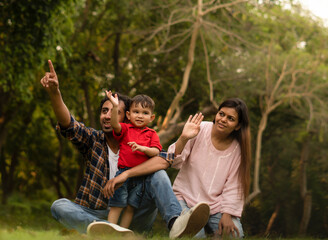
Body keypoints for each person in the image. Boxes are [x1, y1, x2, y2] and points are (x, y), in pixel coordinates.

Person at [40, 60, 210, 238]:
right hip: (96, 213)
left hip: (134, 212)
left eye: (114, 111)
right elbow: (69, 124)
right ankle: (108, 230)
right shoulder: (93, 140)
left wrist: (126, 174)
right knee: (59, 206)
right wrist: (55, 93)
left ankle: (175, 222)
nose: (107, 116)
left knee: (158, 174)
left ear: (127, 118)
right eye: (104, 111)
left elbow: (165, 159)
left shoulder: (141, 140)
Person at [167, 98, 251, 238]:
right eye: (221, 114)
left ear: (237, 126)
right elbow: (174, 162)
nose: (223, 119)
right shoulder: (199, 129)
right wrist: (183, 138)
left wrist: (227, 214)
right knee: (195, 236)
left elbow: (234, 186)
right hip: (185, 198)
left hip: (216, 207)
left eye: (230, 118)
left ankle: (213, 231)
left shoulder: (238, 150)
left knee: (234, 236)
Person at [104, 91, 162, 229]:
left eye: (145, 113)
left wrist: (143, 149)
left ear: (152, 117)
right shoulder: (125, 128)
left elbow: (156, 152)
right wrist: (115, 106)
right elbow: (114, 124)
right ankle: (108, 229)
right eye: (136, 112)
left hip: (140, 177)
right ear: (128, 115)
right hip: (122, 174)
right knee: (117, 205)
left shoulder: (152, 134)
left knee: (130, 207)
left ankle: (123, 232)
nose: (140, 116)